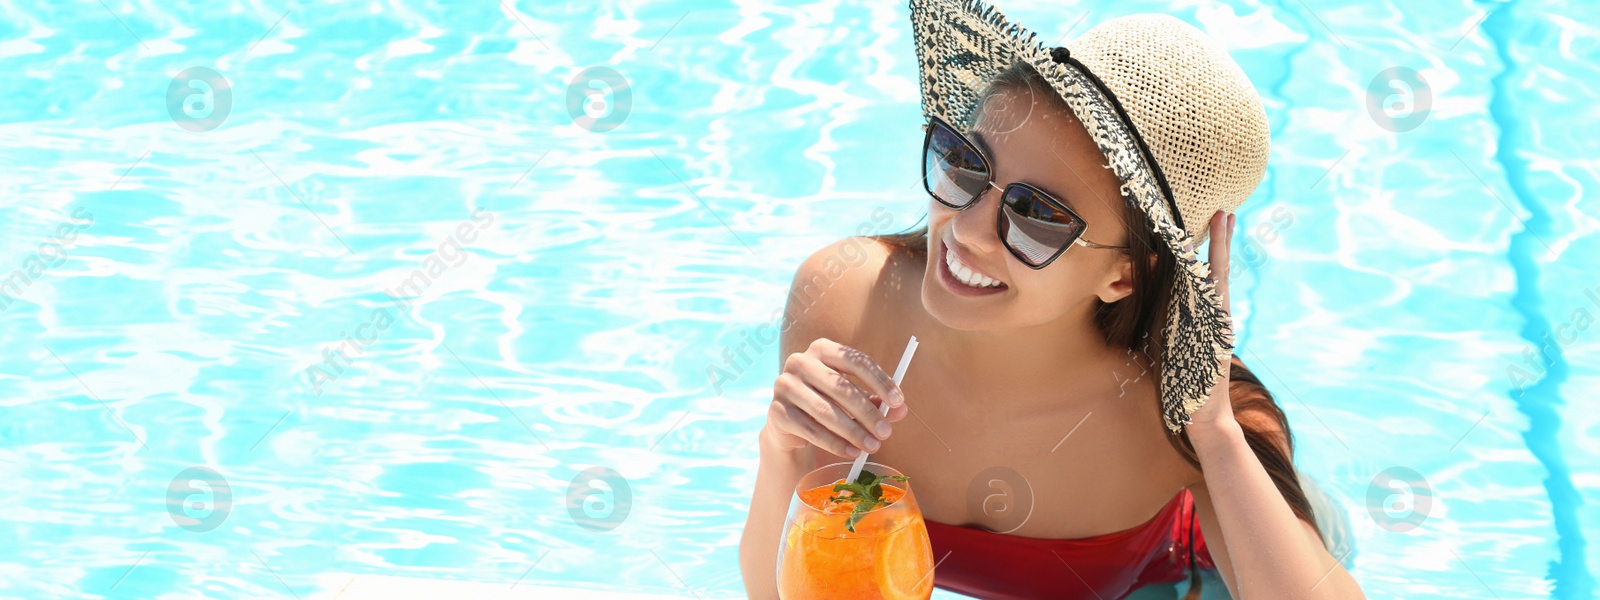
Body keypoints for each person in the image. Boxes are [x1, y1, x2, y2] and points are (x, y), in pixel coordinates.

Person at [740, 1, 1364, 598]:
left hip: (1180, 579)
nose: (967, 230)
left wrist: (1218, 438)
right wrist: (783, 449)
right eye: (965, 162)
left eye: (1036, 215)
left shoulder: (1183, 417)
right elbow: (783, 591)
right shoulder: (848, 308)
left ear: (1122, 276)